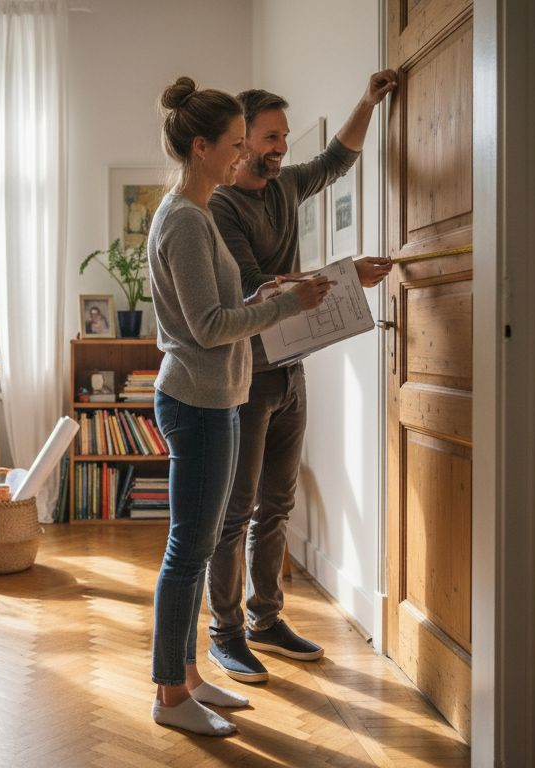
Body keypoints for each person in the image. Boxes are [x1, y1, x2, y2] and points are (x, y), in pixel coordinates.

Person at [145, 76, 333, 737]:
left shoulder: (192, 214)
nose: (241, 156)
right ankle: (169, 696)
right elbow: (207, 326)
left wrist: (269, 301)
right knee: (188, 551)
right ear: (201, 147)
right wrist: (285, 305)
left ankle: (189, 676)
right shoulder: (187, 221)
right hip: (197, 401)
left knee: (194, 548)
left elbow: (220, 315)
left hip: (215, 396)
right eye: (233, 144)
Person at [204, 72, 398, 684]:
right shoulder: (219, 208)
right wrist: (347, 275)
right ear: (240, 143)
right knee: (235, 511)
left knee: (277, 506)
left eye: (284, 137)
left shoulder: (286, 186)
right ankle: (225, 633)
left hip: (291, 371)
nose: (279, 148)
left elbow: (338, 159)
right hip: (246, 376)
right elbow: (258, 286)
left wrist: (365, 100)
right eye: (268, 137)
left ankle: (266, 620)